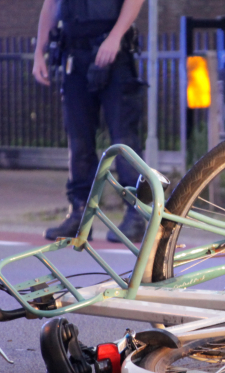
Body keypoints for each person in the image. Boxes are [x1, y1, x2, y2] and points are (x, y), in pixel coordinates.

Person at [33, 0, 147, 242]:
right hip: (74, 55)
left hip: (114, 55)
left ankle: (136, 215)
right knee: (78, 139)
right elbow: (51, 4)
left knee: (124, 138)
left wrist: (115, 37)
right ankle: (79, 214)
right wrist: (39, 54)